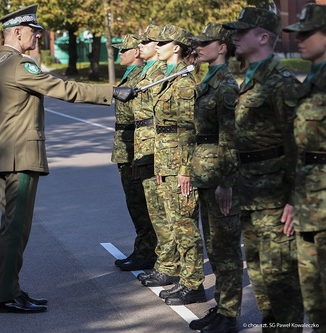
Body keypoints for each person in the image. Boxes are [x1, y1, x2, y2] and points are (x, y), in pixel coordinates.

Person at [0, 4, 135, 314]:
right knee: (17, 229)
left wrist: (3, 142)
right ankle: (7, 295)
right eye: (35, 32)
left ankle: (9, 290)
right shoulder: (19, 65)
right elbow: (63, 89)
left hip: (6, 153)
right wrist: (112, 91)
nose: (38, 37)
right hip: (22, 156)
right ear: (18, 32)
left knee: (11, 226)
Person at [223, 7, 304, 331]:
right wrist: (228, 182)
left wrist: (295, 198)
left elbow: (298, 144)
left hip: (274, 196)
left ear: (263, 37)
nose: (235, 37)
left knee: (280, 278)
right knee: (258, 275)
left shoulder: (280, 81)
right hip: (250, 191)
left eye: (242, 32)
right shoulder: (249, 78)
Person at [188, 23, 243, 332]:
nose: (199, 47)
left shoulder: (226, 85)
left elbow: (230, 138)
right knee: (215, 245)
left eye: (205, 43)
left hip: (220, 177)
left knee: (226, 248)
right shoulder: (207, 79)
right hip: (205, 174)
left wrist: (227, 182)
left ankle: (230, 314)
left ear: (222, 47)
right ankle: (222, 307)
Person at [148, 24, 206, 306]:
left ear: (177, 47)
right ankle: (184, 278)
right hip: (166, 161)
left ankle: (194, 283)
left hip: (180, 164)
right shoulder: (169, 77)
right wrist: (161, 167)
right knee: (174, 222)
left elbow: (188, 130)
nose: (156, 46)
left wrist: (185, 169)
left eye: (162, 42)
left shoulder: (184, 83)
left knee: (185, 225)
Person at [283, 4, 326, 332]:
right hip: (309, 200)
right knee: (313, 296)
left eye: (306, 33)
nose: (299, 39)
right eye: (296, 33)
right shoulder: (310, 79)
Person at [128, 25, 174, 287]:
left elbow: (159, 119)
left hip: (158, 149)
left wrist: (158, 157)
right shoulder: (148, 71)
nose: (142, 45)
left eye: (149, 41)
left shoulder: (162, 72)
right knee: (154, 211)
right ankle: (162, 260)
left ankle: (168, 263)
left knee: (163, 212)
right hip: (145, 148)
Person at [111, 35, 157, 271]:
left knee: (141, 202)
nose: (120, 54)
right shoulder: (130, 75)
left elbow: (144, 120)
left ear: (136, 53)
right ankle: (143, 248)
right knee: (134, 202)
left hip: (135, 145)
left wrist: (139, 152)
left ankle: (148, 251)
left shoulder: (141, 77)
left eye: (124, 50)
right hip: (125, 145)